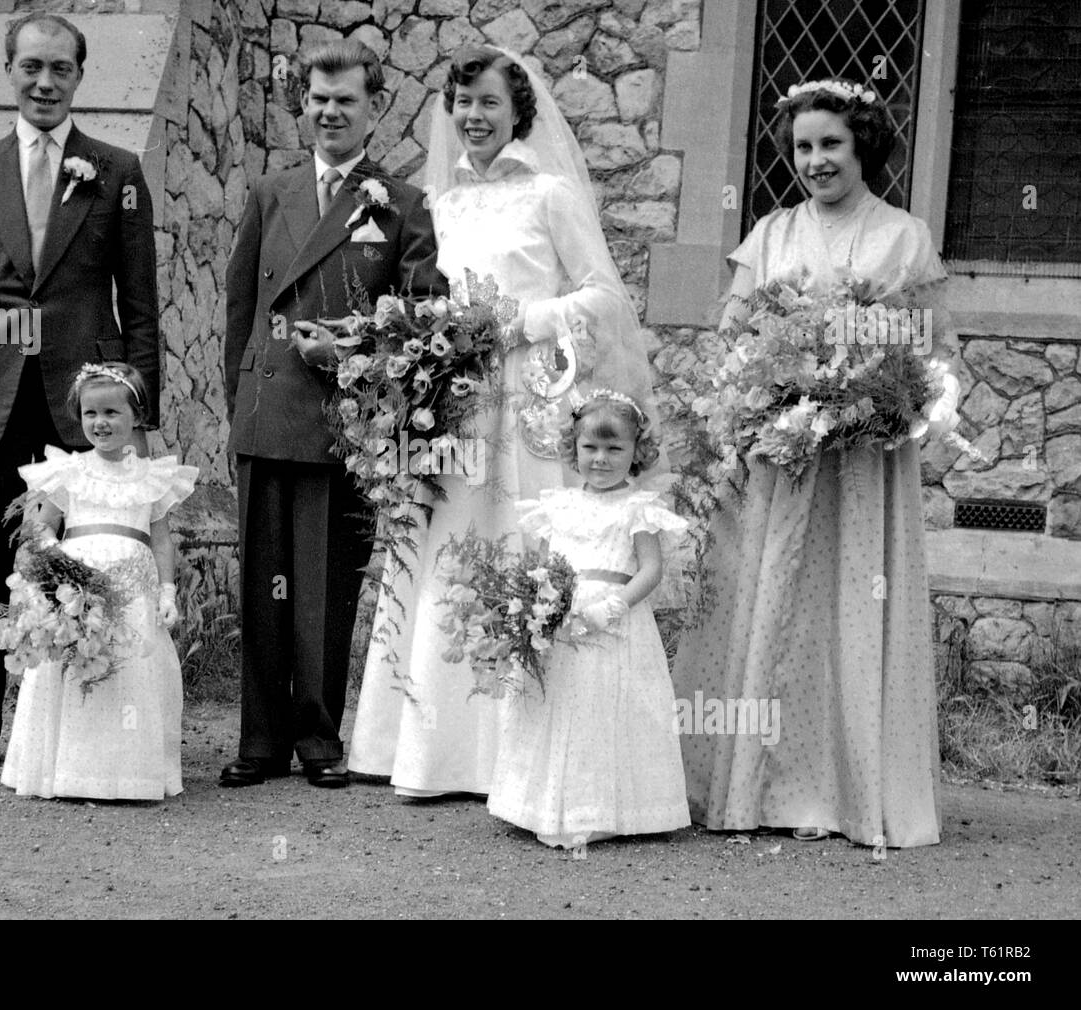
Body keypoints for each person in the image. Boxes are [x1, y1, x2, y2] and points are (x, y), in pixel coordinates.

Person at [348, 46, 669, 796]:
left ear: (518, 110)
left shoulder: (549, 194)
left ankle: (524, 753)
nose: (473, 117)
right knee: (447, 547)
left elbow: (603, 296)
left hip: (528, 397)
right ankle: (433, 750)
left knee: (521, 543)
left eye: (489, 102)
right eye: (462, 103)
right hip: (452, 401)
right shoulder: (441, 201)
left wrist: (523, 322)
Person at [672, 78, 950, 847]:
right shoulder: (770, 234)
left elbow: (929, 351)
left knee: (852, 608)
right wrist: (757, 379)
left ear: (863, 146)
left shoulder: (903, 236)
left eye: (832, 143)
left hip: (862, 460)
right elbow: (732, 331)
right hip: (783, 455)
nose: (817, 160)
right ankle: (758, 788)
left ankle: (850, 792)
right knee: (775, 602)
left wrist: (878, 391)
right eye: (803, 147)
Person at [0, 13, 160, 775]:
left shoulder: (115, 172)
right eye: (30, 68)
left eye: (60, 69)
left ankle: (76, 724)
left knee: (83, 559)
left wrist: (138, 415)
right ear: (8, 71)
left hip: (81, 404)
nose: (44, 83)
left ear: (80, 76)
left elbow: (141, 306)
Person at [221, 40, 447, 789]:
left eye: (345, 100)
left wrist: (348, 348)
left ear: (373, 107)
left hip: (342, 421)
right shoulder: (270, 192)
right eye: (319, 99)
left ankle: (319, 737)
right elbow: (241, 312)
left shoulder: (402, 203)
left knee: (324, 585)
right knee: (264, 581)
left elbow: (421, 319)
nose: (329, 112)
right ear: (304, 103)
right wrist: (238, 411)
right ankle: (259, 741)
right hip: (265, 410)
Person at [488, 393, 691, 847]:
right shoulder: (558, 505)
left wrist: (611, 608)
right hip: (560, 622)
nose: (600, 459)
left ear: (637, 452)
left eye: (614, 449)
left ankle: (601, 809)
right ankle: (541, 803)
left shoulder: (637, 508)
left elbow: (651, 569)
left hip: (615, 623)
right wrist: (532, 610)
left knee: (603, 711)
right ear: (573, 448)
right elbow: (542, 565)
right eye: (590, 449)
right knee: (555, 706)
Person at [0, 362, 196, 800]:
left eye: (111, 413)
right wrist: (60, 565)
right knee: (76, 668)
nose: (100, 423)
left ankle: (129, 773)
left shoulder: (151, 478)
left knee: (131, 671)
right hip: (79, 589)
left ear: (137, 416)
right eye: (90, 414)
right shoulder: (70, 471)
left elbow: (161, 541)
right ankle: (70, 771)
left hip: (134, 591)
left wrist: (168, 591)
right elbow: (41, 527)